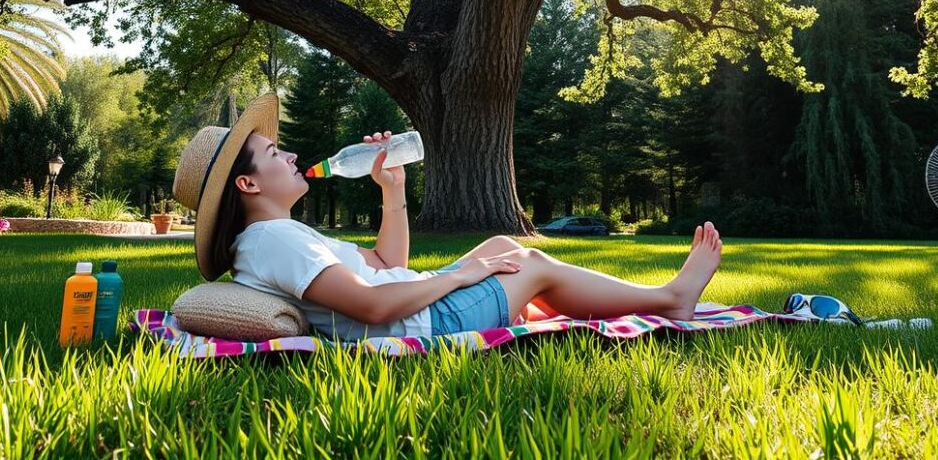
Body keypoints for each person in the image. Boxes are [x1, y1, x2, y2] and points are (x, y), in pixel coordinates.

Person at [172, 93, 723, 340]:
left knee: (500, 243)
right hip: (429, 324)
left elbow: (388, 263)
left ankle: (548, 300)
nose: (291, 156)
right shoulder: (278, 242)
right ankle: (670, 301)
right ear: (247, 184)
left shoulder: (273, 239)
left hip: (413, 308)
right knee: (526, 262)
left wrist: (393, 189)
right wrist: (460, 276)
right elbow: (368, 305)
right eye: (275, 154)